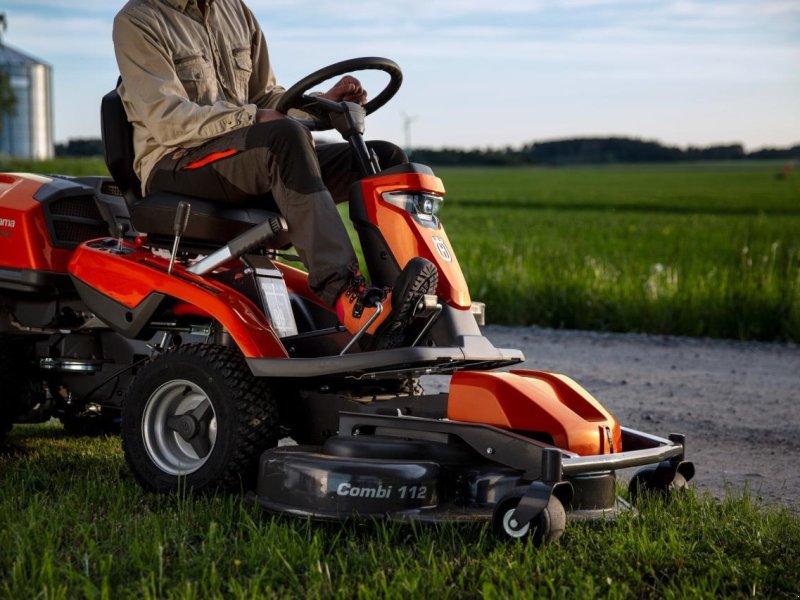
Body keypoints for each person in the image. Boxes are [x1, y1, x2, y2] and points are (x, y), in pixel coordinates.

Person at [112, 0, 437, 349]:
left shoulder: (235, 11)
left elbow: (267, 98)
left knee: (383, 157)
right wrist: (253, 118)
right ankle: (348, 297)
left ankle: (404, 306)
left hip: (246, 151)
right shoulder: (139, 20)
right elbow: (168, 118)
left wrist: (321, 103)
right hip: (178, 159)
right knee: (283, 140)